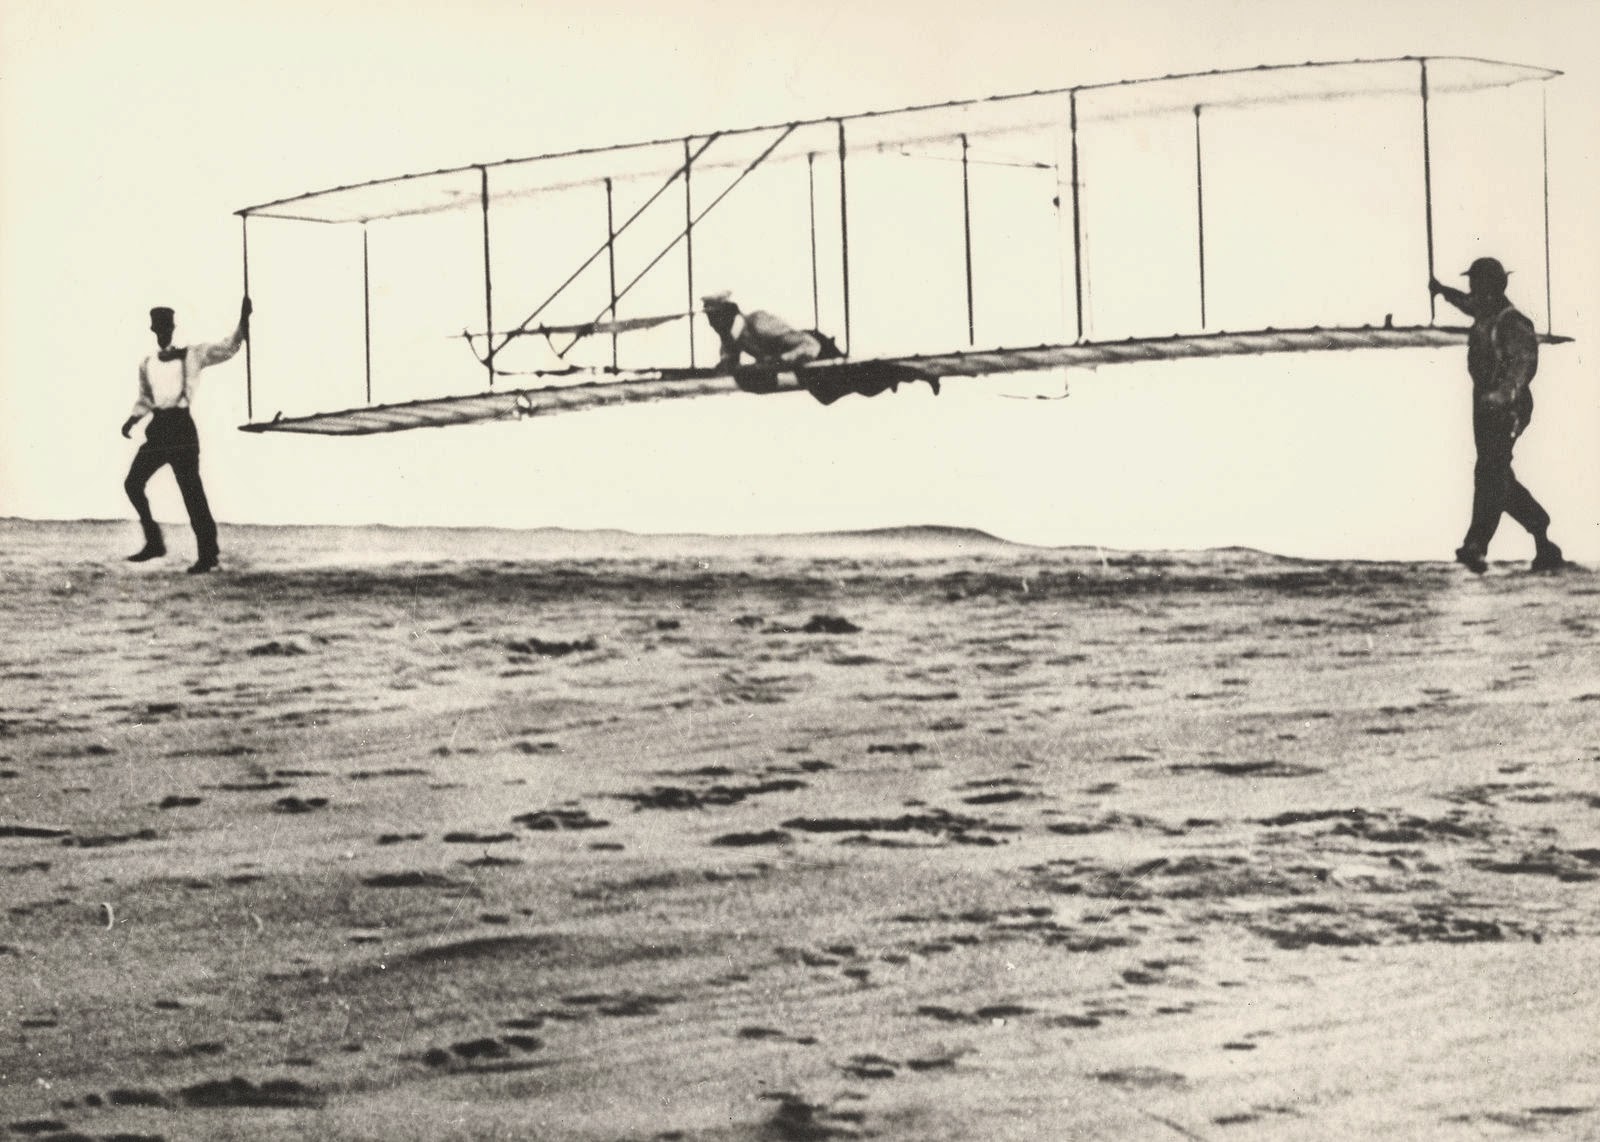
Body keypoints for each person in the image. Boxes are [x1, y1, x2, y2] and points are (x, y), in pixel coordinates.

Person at [1430, 258, 1563, 574]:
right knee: (1494, 472)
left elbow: (1521, 368)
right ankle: (1540, 533)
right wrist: (1441, 290)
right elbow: (1466, 304)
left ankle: (1478, 545)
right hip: (1486, 404)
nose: (1472, 290)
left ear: (1492, 286)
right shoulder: (1485, 311)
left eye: (1477, 284)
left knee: (1490, 472)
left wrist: (1501, 398)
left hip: (1506, 407)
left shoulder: (1511, 321)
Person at [122, 297, 252, 573]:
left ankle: (209, 554)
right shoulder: (148, 364)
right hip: (158, 429)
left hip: (181, 428)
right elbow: (146, 398)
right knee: (133, 483)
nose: (162, 332)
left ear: (172, 327)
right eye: (158, 328)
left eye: (166, 327)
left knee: (192, 492)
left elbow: (230, 347)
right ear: (154, 330)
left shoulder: (193, 354)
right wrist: (132, 420)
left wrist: (243, 320)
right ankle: (154, 542)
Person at [700, 291, 936, 404]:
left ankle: (914, 374)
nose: (713, 326)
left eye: (715, 319)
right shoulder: (730, 336)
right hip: (801, 363)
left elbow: (808, 345)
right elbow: (729, 362)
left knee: (862, 383)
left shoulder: (759, 323)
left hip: (817, 351)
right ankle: (894, 377)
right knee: (829, 393)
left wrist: (776, 362)